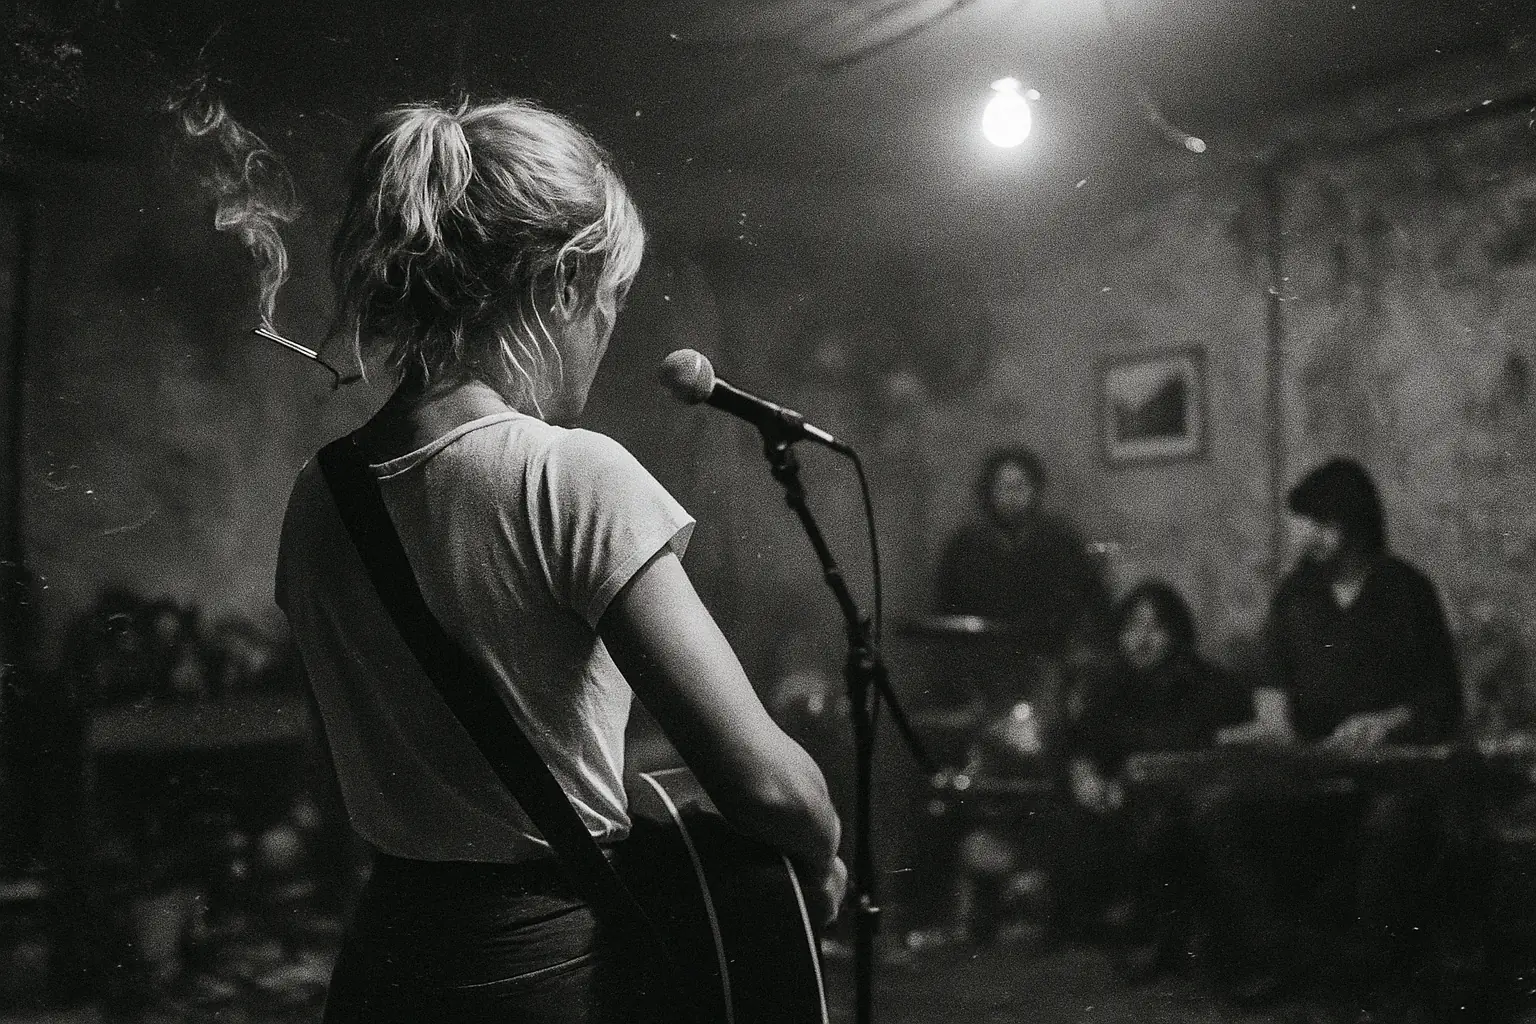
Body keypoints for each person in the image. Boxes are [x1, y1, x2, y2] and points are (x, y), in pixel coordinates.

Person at [274, 98, 845, 1024]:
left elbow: (353, 762)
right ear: (561, 283)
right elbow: (769, 785)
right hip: (541, 978)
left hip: (383, 962)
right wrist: (819, 855)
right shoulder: (569, 475)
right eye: (611, 299)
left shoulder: (317, 495)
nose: (608, 331)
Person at [1200, 457, 1462, 1009]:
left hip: (1387, 776)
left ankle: (1368, 977)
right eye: (1305, 524)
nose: (1309, 537)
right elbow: (1272, 691)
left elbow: (1443, 698)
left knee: (1393, 820)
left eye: (1323, 524)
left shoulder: (1406, 590)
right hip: (1312, 773)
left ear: (1357, 524)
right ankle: (1277, 959)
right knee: (1219, 807)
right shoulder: (1295, 595)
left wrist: (1384, 723)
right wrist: (1271, 727)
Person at [1056, 580, 1242, 978]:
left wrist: (1123, 777)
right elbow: (1083, 737)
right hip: (1121, 796)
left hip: (1181, 800)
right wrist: (1084, 770)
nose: (1141, 639)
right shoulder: (1112, 680)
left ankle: (1158, 934)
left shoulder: (1196, 680)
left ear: (1175, 634)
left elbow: (1188, 743)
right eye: (1131, 627)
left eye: (1154, 628)